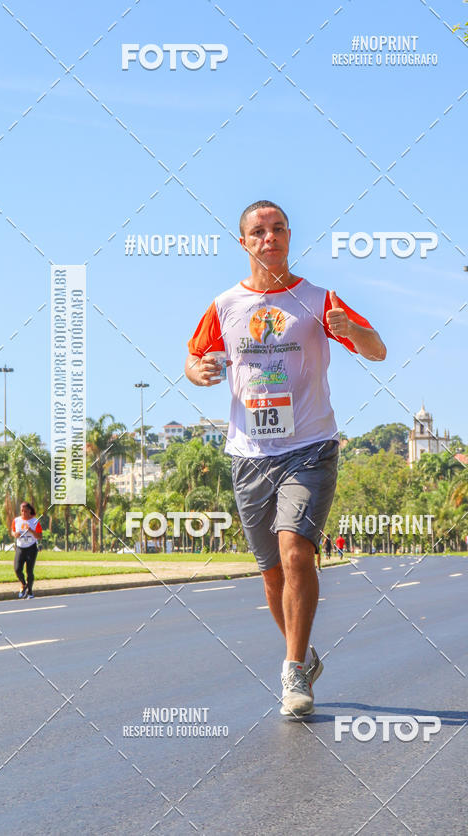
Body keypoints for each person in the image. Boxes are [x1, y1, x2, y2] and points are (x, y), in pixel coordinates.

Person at [185, 200, 386, 717]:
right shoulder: (226, 304)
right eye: (258, 231)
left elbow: (377, 350)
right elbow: (194, 357)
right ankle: (304, 654)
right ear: (244, 242)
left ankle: (293, 668)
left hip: (310, 447)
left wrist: (351, 329)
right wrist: (196, 371)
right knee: (272, 572)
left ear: (290, 236)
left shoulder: (318, 300)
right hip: (249, 453)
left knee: (296, 552)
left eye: (277, 229)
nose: (268, 238)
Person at [12, 502, 42, 598]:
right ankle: (23, 584)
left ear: (29, 510)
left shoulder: (35, 521)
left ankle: (30, 592)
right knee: (17, 569)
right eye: (22, 511)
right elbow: (13, 531)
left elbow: (39, 536)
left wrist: (31, 531)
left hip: (31, 548)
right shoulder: (16, 520)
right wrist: (15, 534)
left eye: (25, 511)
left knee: (29, 571)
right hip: (20, 548)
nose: (23, 513)